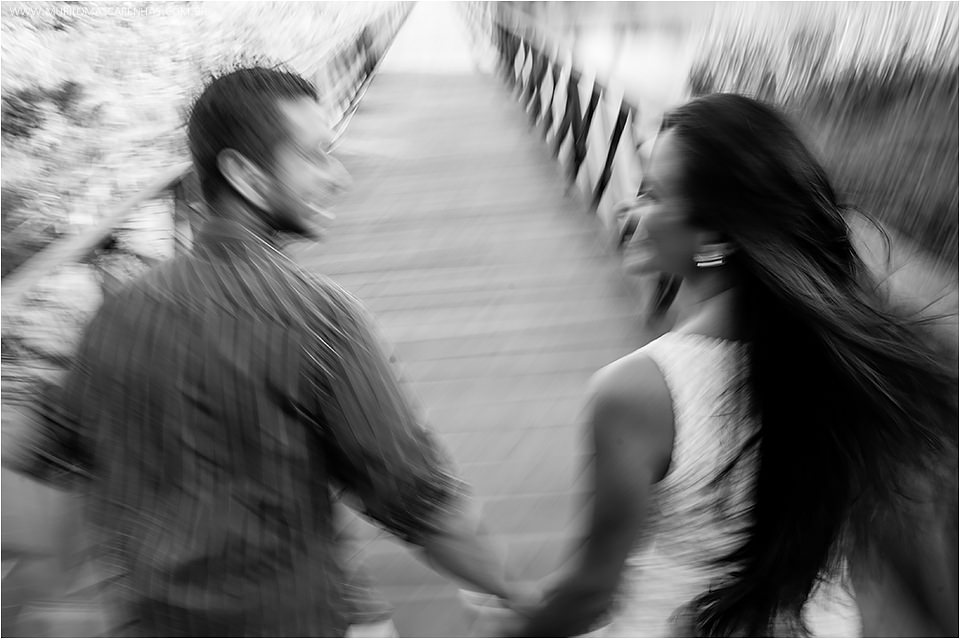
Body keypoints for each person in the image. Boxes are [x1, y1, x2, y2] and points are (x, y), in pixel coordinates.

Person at [5, 65, 531, 636]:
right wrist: (517, 592)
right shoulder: (322, 321)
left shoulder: (115, 313)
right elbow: (422, 504)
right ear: (246, 177)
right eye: (313, 156)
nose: (338, 176)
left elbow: (43, 450)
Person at [512, 93, 958, 637]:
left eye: (652, 194)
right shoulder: (848, 368)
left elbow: (588, 590)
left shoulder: (638, 392)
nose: (631, 210)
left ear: (716, 235)